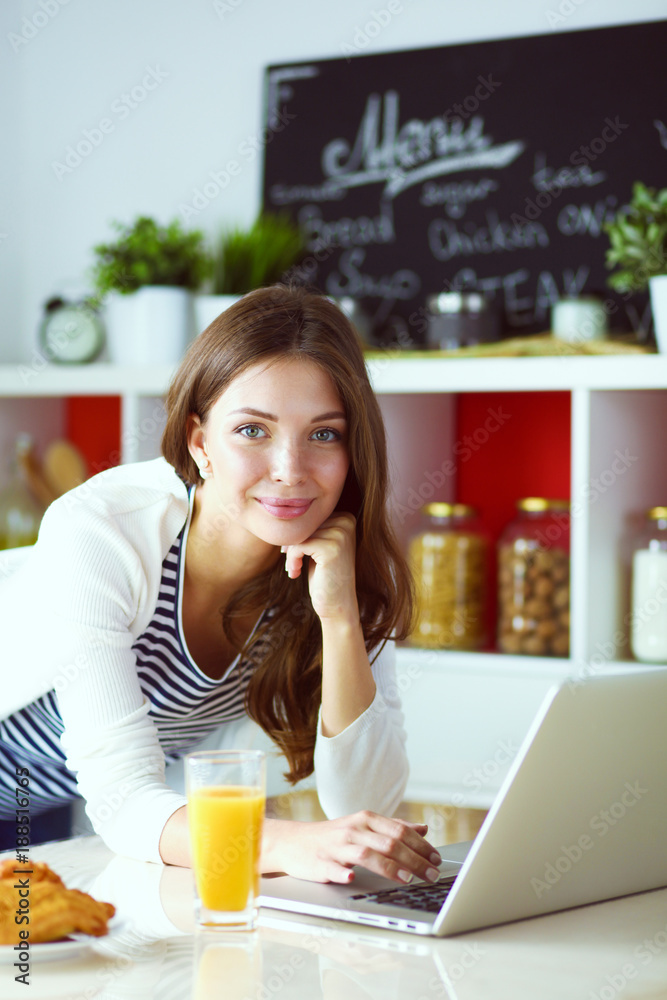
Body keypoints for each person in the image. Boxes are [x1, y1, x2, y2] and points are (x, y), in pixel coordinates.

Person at [0, 284, 443, 885]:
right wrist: (285, 845)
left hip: (38, 810)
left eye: (323, 434)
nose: (289, 471)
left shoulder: (341, 565)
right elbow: (122, 796)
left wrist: (339, 619)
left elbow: (366, 800)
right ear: (199, 441)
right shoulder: (102, 533)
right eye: (253, 431)